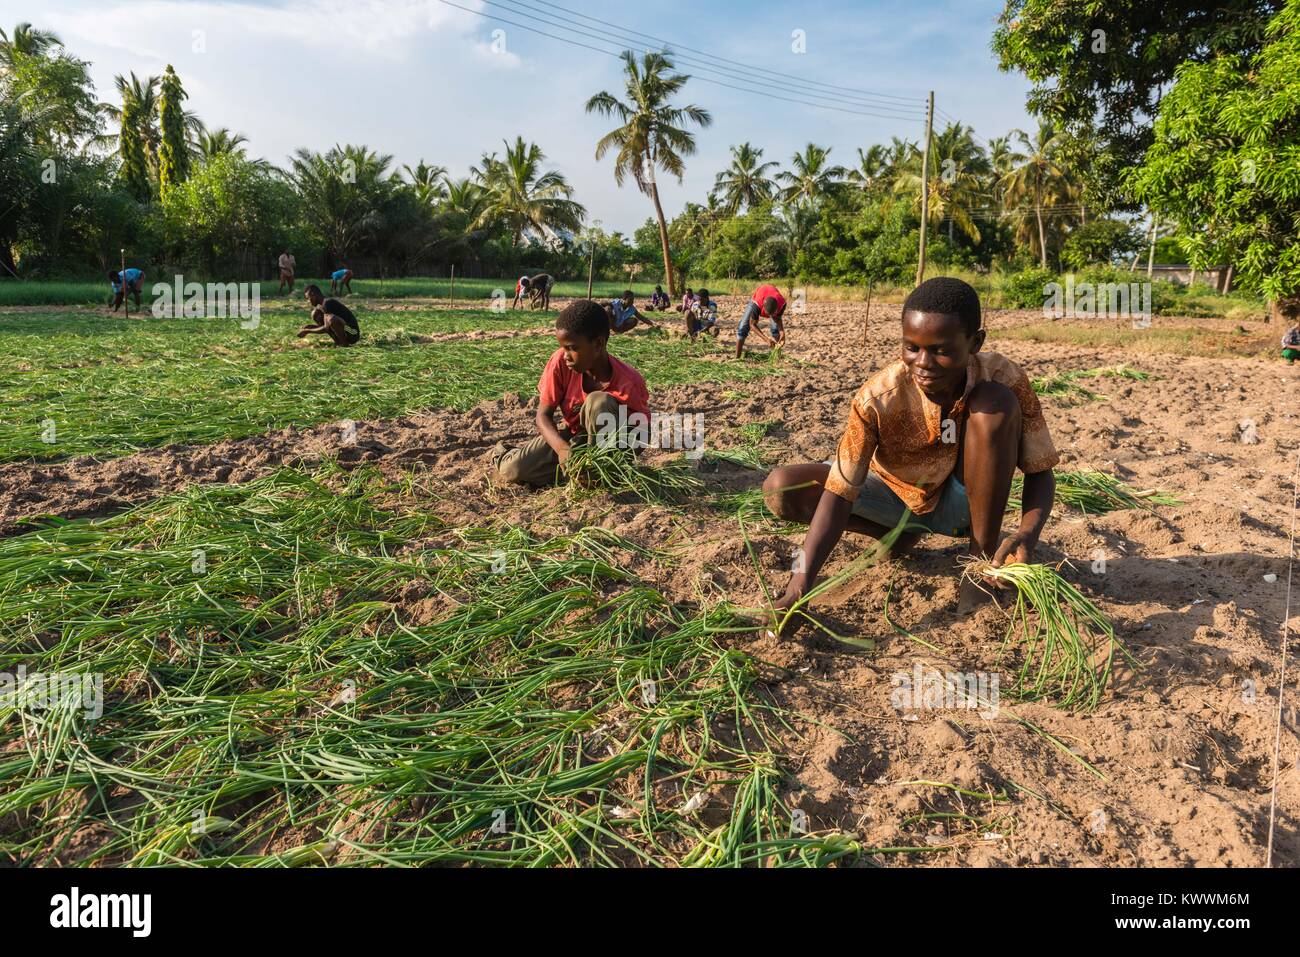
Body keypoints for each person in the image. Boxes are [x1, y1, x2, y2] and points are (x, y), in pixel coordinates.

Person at [761, 277, 1060, 629]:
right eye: (912, 347)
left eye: (941, 350)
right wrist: (800, 586)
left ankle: (978, 566)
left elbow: (1039, 469)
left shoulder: (1004, 377)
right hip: (893, 494)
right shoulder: (878, 398)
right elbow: (840, 490)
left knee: (994, 405)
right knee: (782, 487)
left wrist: (1028, 532)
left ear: (976, 342)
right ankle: (897, 534)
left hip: (963, 506)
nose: (924, 363)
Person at [493, 298, 650, 486]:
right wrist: (562, 450)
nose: (566, 355)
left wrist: (617, 461)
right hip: (574, 438)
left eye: (573, 348)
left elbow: (643, 433)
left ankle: (596, 472)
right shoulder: (560, 363)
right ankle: (507, 453)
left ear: (598, 345)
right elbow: (543, 416)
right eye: (563, 348)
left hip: (610, 445)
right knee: (513, 469)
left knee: (598, 401)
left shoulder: (629, 382)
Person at [735, 282, 787, 359]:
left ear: (776, 309)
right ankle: (737, 358)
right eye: (768, 314)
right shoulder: (757, 305)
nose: (770, 317)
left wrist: (782, 333)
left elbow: (778, 319)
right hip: (759, 294)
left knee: (775, 330)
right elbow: (752, 324)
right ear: (763, 308)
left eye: (772, 314)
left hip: (772, 296)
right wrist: (766, 339)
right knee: (743, 327)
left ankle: (777, 356)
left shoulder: (782, 304)